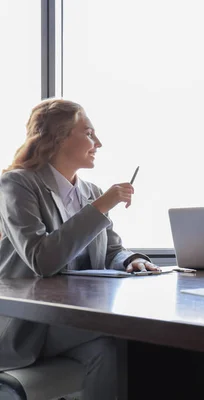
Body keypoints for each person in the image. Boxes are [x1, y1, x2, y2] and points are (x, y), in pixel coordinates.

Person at [0, 98, 157, 398]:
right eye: (88, 132)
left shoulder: (91, 193)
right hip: (27, 327)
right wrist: (102, 206)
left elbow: (112, 250)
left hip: (71, 322)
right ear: (58, 136)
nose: (98, 142)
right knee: (127, 334)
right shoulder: (17, 184)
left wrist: (131, 260)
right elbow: (42, 260)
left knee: (109, 349)